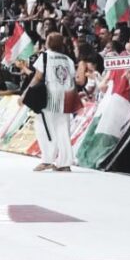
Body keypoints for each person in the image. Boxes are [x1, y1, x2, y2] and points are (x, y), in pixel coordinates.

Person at [29, 33, 76, 172]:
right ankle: (65, 163)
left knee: (44, 127)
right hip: (66, 95)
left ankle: (47, 160)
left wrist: (26, 93)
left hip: (49, 96)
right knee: (63, 129)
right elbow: (72, 78)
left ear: (48, 43)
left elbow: (37, 77)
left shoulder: (44, 56)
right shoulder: (68, 59)